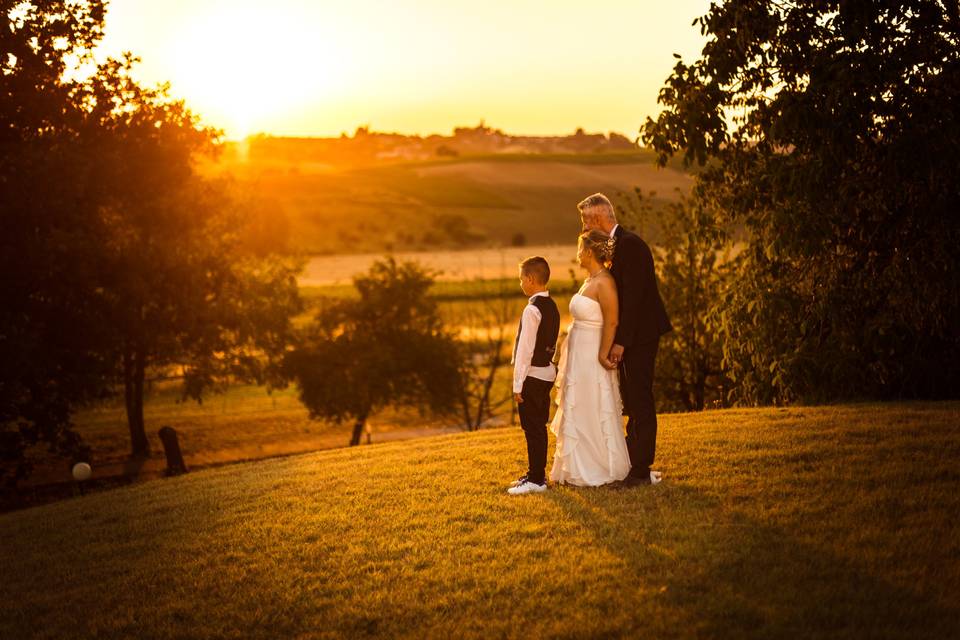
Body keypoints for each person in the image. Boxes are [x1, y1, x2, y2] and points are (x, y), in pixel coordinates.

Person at [578, 193, 672, 485]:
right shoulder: (617, 246)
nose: (583, 227)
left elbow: (633, 300)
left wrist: (620, 341)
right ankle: (632, 461)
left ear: (597, 218)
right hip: (634, 335)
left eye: (585, 220)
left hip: (641, 335)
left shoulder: (631, 245)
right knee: (631, 398)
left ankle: (641, 469)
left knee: (640, 398)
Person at [549, 230, 632, 486]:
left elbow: (613, 321)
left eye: (578, 249)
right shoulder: (589, 280)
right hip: (578, 353)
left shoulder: (605, 281)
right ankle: (576, 465)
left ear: (587, 252)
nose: (576, 255)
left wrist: (602, 353)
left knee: (593, 402)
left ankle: (598, 466)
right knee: (579, 403)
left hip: (593, 352)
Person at [507, 256, 560, 495]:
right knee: (538, 426)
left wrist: (517, 384)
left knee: (532, 428)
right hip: (547, 373)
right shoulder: (552, 306)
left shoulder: (532, 309)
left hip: (532, 377)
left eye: (521, 279)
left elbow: (525, 350)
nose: (520, 284)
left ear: (530, 279)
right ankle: (534, 474)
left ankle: (536, 480)